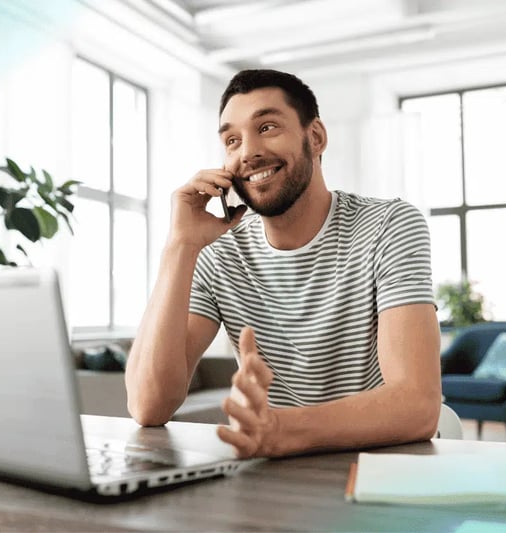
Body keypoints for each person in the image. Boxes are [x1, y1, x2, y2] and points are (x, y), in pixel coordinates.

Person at [125, 69, 441, 459]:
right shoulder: (218, 253)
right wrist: (179, 246)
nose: (247, 152)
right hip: (279, 470)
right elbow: (147, 406)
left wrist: (278, 430)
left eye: (268, 127)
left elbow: (417, 405)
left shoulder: (388, 226)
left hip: (382, 465)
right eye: (232, 140)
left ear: (316, 137)